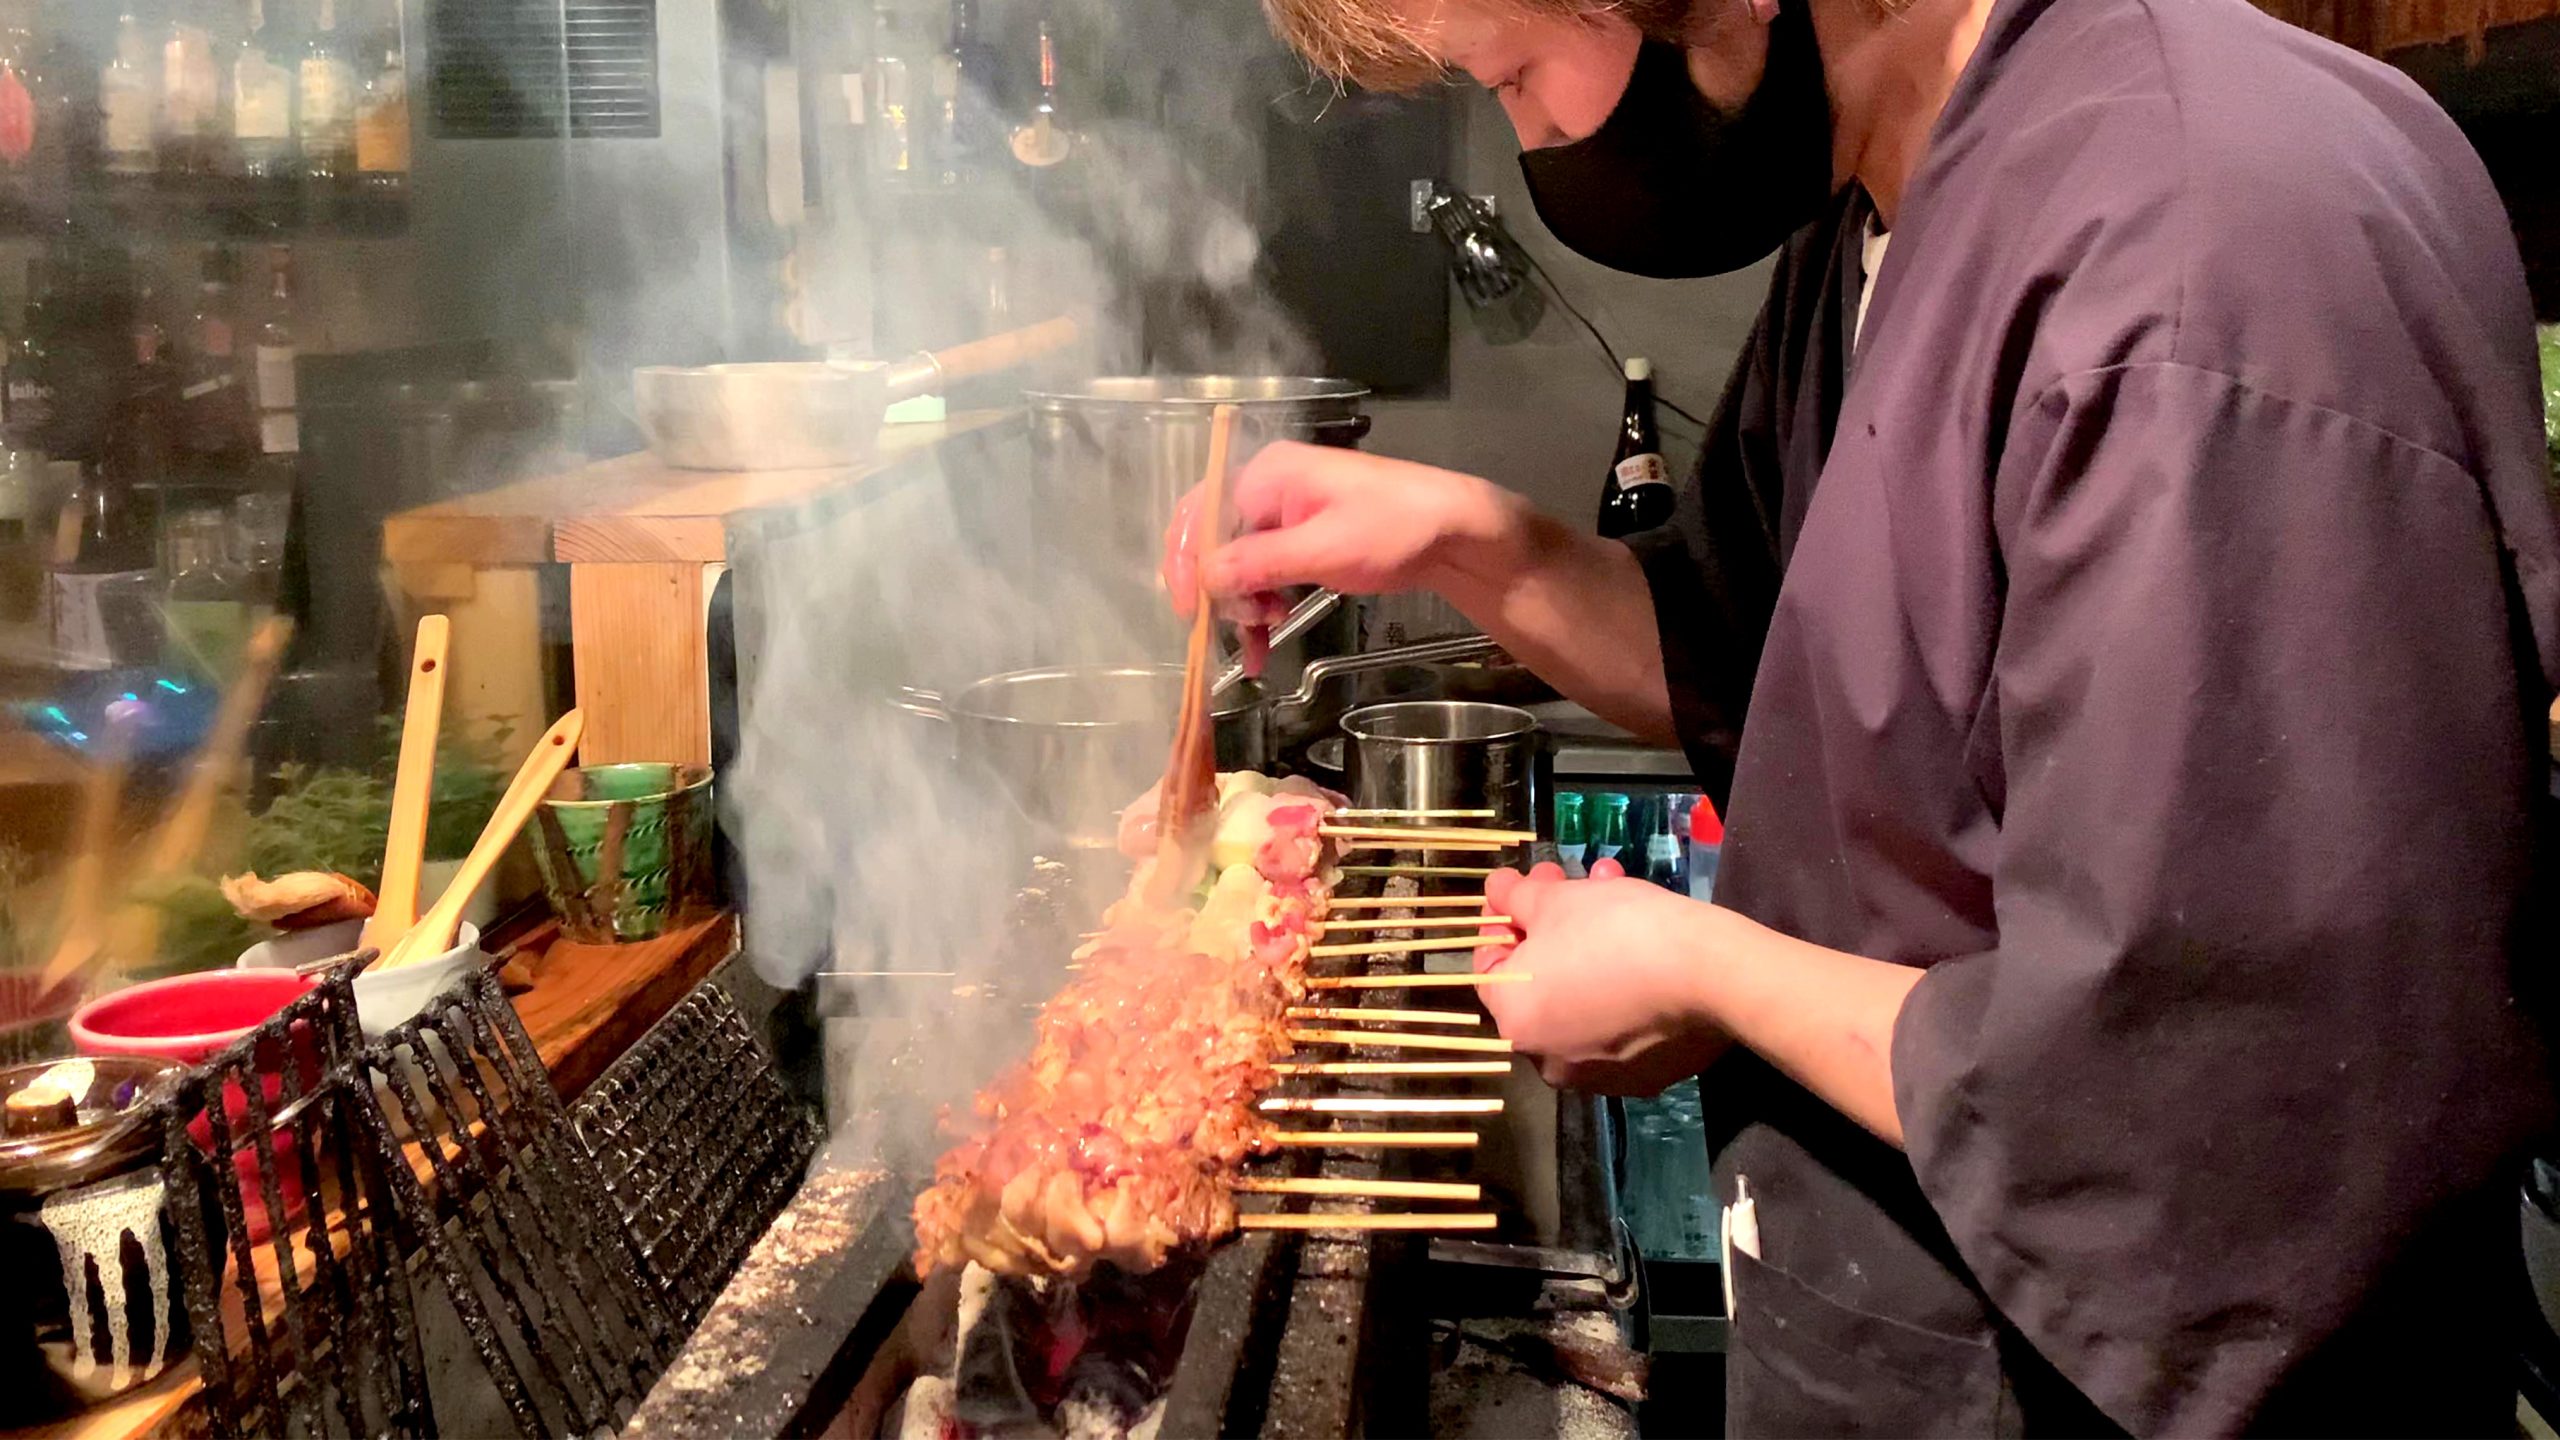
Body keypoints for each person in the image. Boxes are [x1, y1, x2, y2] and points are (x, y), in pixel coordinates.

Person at [1166, 0, 2560, 1430]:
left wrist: (1703, 971)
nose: (1527, 141)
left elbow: (2194, 1097)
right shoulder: (1886, 211)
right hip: (1903, 1330)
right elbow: (1750, 656)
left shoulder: (2204, 258)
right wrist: (1463, 538)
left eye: (1512, 75)